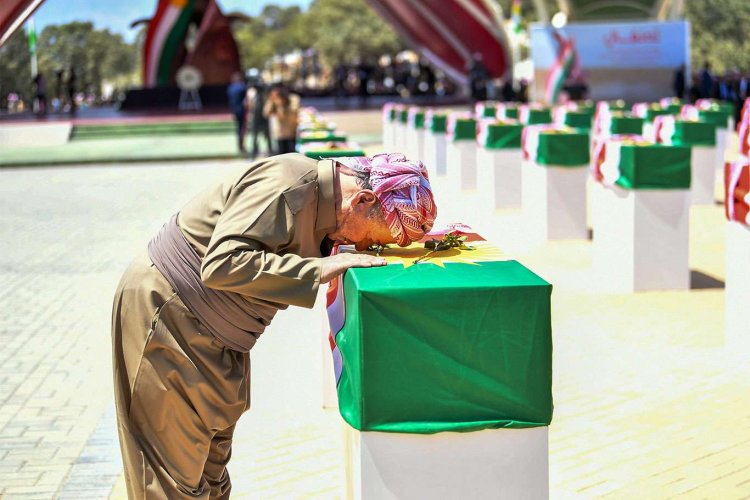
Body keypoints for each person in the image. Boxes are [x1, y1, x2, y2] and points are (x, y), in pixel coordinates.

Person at [111, 152, 437, 498]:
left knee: (210, 473)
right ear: (364, 199)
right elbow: (221, 264)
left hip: (221, 337)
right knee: (169, 482)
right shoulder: (288, 182)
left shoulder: (328, 207)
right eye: (373, 238)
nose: (362, 247)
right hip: (170, 315)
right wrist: (317, 270)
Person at [263, 86, 298, 155]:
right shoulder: (273, 102)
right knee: (281, 155)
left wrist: (282, 107)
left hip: (290, 133)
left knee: (291, 154)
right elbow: (266, 113)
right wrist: (271, 101)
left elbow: (294, 113)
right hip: (280, 134)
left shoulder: (292, 100)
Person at [246, 83, 272, 159]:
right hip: (256, 120)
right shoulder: (254, 96)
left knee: (267, 138)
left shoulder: (265, 97)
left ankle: (270, 153)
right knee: (254, 138)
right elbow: (251, 108)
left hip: (264, 120)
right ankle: (253, 154)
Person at [226, 72, 247, 154]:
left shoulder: (230, 88)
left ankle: (240, 145)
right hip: (241, 110)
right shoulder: (242, 87)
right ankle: (241, 145)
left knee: (238, 128)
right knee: (242, 128)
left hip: (234, 110)